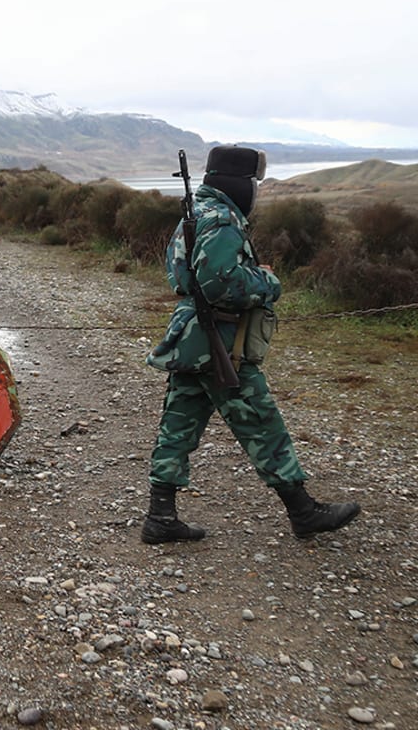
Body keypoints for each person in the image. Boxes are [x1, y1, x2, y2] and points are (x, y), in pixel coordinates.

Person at [141, 145, 360, 544]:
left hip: (192, 338)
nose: (255, 192)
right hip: (221, 341)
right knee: (261, 422)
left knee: (178, 425)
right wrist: (266, 281)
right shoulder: (222, 219)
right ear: (240, 185)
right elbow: (220, 283)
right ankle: (303, 511)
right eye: (254, 184)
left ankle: (161, 516)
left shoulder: (196, 214)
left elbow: (182, 277)